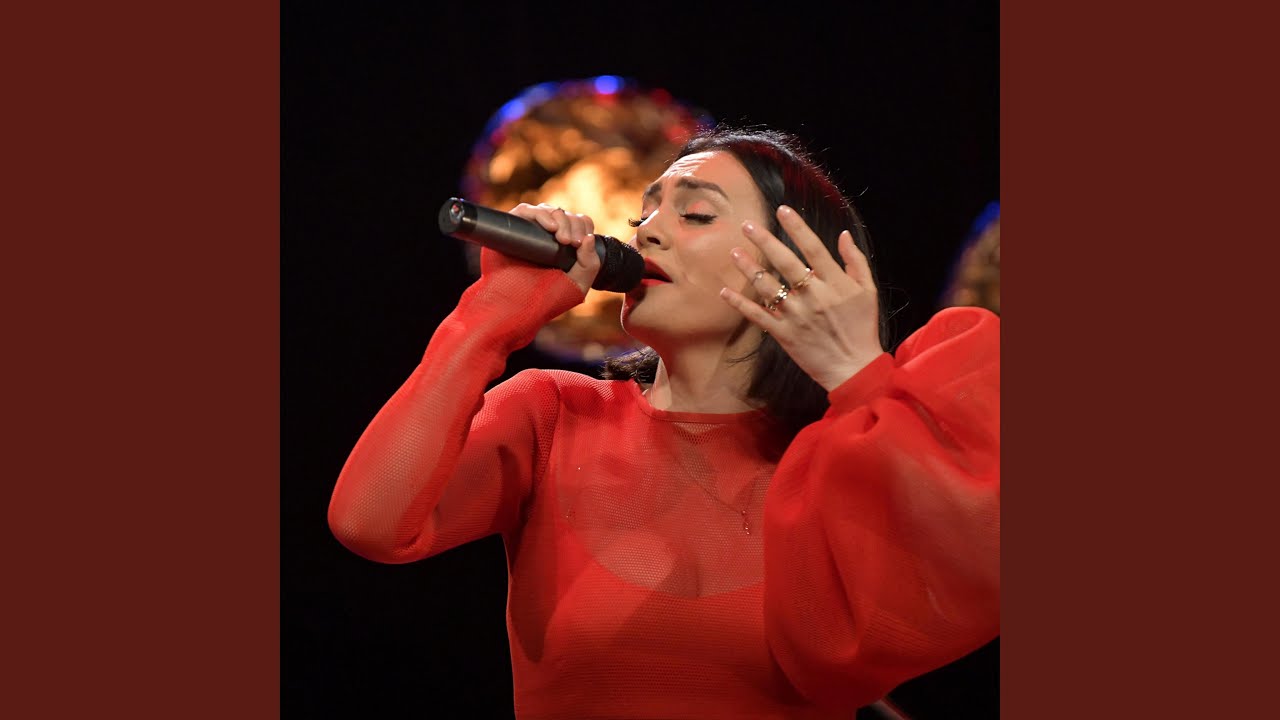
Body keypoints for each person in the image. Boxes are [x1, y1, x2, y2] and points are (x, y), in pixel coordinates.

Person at [328, 126, 1000, 719]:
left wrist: (858, 376)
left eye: (695, 214)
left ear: (793, 266)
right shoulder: (553, 415)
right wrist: (487, 320)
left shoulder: (845, 450)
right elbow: (369, 524)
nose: (644, 230)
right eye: (645, 211)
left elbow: (986, 556)